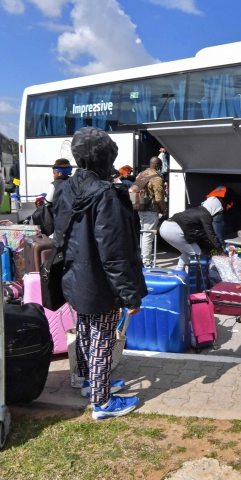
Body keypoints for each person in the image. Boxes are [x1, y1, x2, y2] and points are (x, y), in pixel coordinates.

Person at [53, 127, 146, 420]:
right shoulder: (106, 195)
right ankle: (102, 402)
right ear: (107, 158)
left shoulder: (67, 187)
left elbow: (59, 234)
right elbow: (114, 252)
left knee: (84, 330)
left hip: (75, 276)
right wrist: (130, 294)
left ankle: (88, 381)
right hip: (101, 281)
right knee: (103, 336)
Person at [159, 200, 222, 272]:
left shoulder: (196, 210)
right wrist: (220, 250)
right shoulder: (205, 215)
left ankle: (178, 273)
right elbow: (210, 234)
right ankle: (196, 279)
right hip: (173, 230)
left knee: (186, 251)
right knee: (197, 253)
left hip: (164, 227)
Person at [133, 157, 166, 267]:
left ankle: (142, 258)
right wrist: (164, 208)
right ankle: (145, 262)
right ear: (158, 165)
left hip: (140, 208)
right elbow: (158, 198)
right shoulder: (157, 178)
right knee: (148, 235)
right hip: (151, 210)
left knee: (143, 234)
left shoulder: (141, 174)